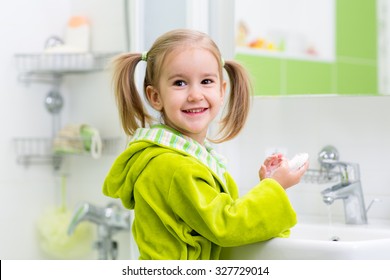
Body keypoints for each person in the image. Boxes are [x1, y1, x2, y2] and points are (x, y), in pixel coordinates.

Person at [103, 29, 308, 260]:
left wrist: (266, 185)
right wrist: (275, 189)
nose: (195, 94)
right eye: (180, 83)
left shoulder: (192, 159)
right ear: (155, 97)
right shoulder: (174, 167)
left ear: (221, 91)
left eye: (206, 81)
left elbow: (215, 219)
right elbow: (226, 226)